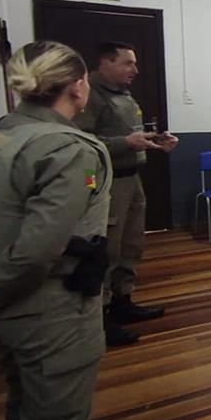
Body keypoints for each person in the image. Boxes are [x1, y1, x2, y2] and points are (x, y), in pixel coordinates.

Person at [0, 41, 112, 420]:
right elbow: (40, 248)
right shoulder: (69, 149)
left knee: (23, 404)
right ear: (78, 86)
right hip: (52, 314)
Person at [74, 41, 176, 346]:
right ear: (105, 63)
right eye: (127, 63)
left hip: (132, 179)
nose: (135, 69)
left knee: (132, 243)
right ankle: (101, 319)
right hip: (107, 182)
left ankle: (123, 301)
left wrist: (155, 141)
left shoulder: (122, 94)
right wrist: (125, 143)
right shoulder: (89, 95)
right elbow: (81, 142)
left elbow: (127, 134)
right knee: (108, 248)